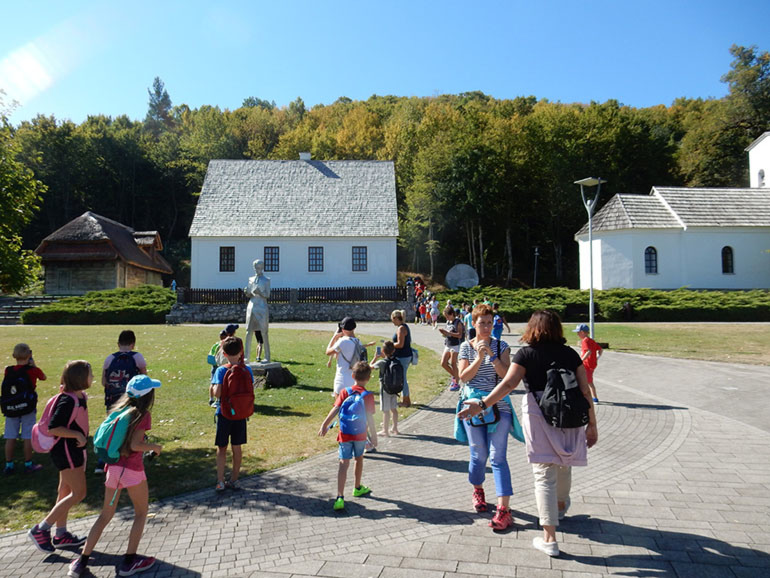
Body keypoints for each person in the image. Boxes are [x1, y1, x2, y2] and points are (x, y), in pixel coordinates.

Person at [459, 310, 598, 557]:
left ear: (533, 328)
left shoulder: (526, 354)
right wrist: (593, 424)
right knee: (564, 465)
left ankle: (549, 537)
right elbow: (585, 390)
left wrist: (482, 404)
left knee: (544, 475)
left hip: (540, 417)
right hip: (572, 417)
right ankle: (560, 506)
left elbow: (509, 384)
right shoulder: (570, 354)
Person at [67, 375, 163, 578]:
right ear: (148, 396)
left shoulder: (119, 410)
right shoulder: (142, 415)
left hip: (112, 469)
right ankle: (129, 561)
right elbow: (136, 445)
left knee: (105, 515)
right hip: (132, 470)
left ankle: (81, 562)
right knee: (140, 513)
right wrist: (155, 447)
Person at [455, 304, 517, 531]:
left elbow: (507, 376)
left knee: (498, 456)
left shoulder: (502, 346)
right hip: (473, 408)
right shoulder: (465, 347)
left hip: (499, 407)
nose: (486, 327)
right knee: (478, 454)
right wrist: (478, 358)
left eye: (490, 322)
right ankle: (478, 490)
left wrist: (491, 356)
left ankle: (504, 509)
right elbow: (463, 376)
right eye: (482, 323)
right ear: (473, 323)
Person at [28, 360, 91, 553]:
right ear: (80, 378)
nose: (93, 377)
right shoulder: (67, 400)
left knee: (64, 491)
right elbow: (54, 427)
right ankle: (41, 529)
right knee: (79, 493)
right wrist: (78, 435)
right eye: (90, 374)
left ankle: (61, 535)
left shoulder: (78, 396)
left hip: (69, 450)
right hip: (66, 451)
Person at [318, 361, 377, 511]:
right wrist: (374, 437)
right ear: (369, 378)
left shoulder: (345, 392)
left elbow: (336, 409)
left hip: (344, 434)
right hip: (360, 434)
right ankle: (357, 487)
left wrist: (324, 424)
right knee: (359, 459)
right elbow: (370, 419)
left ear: (352, 376)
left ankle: (339, 497)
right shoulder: (368, 396)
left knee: (343, 464)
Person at [99, 330, 147, 474]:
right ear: (133, 344)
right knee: (129, 429)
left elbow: (103, 381)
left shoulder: (110, 358)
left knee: (111, 429)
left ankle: (103, 461)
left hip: (112, 400)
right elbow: (143, 379)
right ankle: (126, 458)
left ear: (118, 344)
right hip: (130, 400)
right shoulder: (137, 357)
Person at [211, 337, 253, 492]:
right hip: (241, 414)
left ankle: (220, 481)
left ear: (224, 353)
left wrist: (216, 386)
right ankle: (235, 479)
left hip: (224, 413)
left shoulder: (221, 370)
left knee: (222, 448)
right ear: (241, 351)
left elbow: (217, 393)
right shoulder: (246, 369)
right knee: (237, 447)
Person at [3, 343, 46, 474]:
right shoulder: (32, 370)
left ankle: (9, 464)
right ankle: (28, 463)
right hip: (27, 407)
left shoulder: (8, 370)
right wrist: (33, 364)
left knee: (10, 437)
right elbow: (43, 377)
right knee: (27, 436)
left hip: (11, 408)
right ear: (29, 355)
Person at [326, 317, 371, 397]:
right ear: (354, 328)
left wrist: (334, 337)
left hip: (342, 379)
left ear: (343, 329)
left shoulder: (343, 341)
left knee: (340, 407)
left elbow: (328, 352)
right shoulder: (358, 342)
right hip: (354, 380)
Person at [370, 341, 400, 436]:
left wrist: (375, 357)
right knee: (394, 409)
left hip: (385, 388)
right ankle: (395, 428)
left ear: (383, 350)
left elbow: (370, 367)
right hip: (395, 388)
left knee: (385, 410)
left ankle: (385, 430)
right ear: (394, 350)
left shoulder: (382, 362)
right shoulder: (396, 361)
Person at [244, 259, 271, 363]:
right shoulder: (250, 279)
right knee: (248, 332)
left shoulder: (266, 280)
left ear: (262, 267)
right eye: (256, 268)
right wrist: (247, 292)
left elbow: (268, 295)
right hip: (251, 306)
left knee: (264, 332)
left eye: (259, 268)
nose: (257, 270)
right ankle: (246, 357)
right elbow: (249, 294)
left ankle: (267, 357)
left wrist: (260, 292)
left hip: (262, 307)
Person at [573, 324, 603, 403]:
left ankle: (594, 398)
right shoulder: (591, 340)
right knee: (587, 380)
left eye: (578, 332)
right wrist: (597, 358)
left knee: (588, 381)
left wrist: (581, 360)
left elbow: (588, 351)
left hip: (587, 365)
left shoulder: (585, 341)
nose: (577, 334)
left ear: (582, 332)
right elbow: (600, 350)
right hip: (592, 364)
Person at [390, 309, 413, 407]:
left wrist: (390, 345)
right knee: (402, 378)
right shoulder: (404, 326)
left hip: (402, 356)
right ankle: (406, 399)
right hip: (405, 355)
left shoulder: (401, 328)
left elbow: (400, 344)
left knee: (402, 378)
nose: (392, 321)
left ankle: (406, 400)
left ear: (395, 318)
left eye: (392, 319)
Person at [439, 306, 464, 391]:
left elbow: (459, 335)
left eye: (447, 316)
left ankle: (456, 382)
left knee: (453, 363)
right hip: (448, 344)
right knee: (443, 363)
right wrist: (444, 333)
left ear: (452, 314)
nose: (446, 318)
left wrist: (448, 333)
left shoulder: (458, 322)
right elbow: (448, 333)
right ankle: (455, 376)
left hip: (455, 345)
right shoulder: (448, 322)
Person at [208, 329, 228, 405]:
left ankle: (211, 398)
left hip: (214, 365)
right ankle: (218, 399)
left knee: (212, 382)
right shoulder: (224, 344)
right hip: (220, 366)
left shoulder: (216, 344)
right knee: (219, 383)